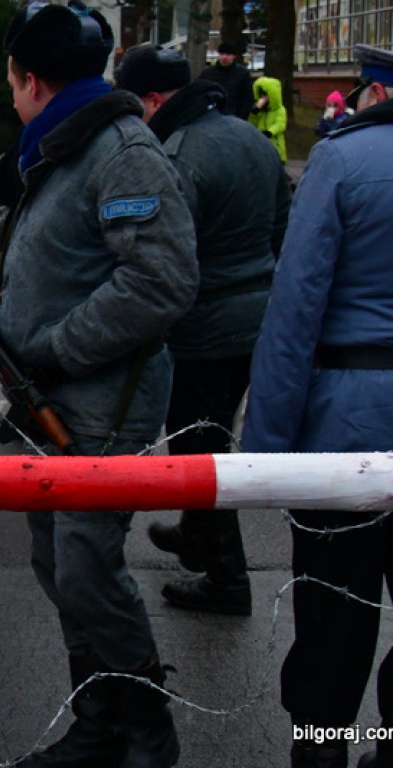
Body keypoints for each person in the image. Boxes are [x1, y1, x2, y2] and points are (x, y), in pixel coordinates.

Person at [0, 3, 198, 766]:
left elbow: (160, 281)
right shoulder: (62, 145)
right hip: (50, 400)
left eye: (12, 82)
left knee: (85, 568)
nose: (10, 94)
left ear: (33, 81)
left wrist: (51, 351)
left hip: (98, 402)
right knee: (58, 564)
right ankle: (101, 725)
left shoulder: (120, 151)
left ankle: (146, 733)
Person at [241, 44, 393, 768]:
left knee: (334, 616)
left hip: (348, 429)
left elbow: (294, 314)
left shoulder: (341, 161)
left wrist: (264, 459)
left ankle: (323, 752)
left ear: (374, 92)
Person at [114, 43, 290, 617]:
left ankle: (226, 579)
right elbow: (281, 228)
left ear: (153, 100)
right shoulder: (249, 138)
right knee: (211, 435)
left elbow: (168, 257)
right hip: (255, 321)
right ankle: (196, 533)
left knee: (199, 451)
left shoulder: (177, 156)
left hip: (204, 330)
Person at [198, 40, 254, 119]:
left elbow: (248, 99)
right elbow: (200, 95)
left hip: (234, 117)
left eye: (228, 54)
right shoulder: (207, 74)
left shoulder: (242, 74)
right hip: (212, 117)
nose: (224, 57)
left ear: (234, 56)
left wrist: (241, 118)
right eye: (222, 54)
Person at [250, 76, 288, 162]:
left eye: (266, 95)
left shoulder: (279, 109)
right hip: (261, 144)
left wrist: (270, 132)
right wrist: (255, 111)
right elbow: (252, 123)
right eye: (262, 95)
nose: (263, 98)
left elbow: (280, 124)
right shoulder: (261, 111)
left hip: (275, 144)